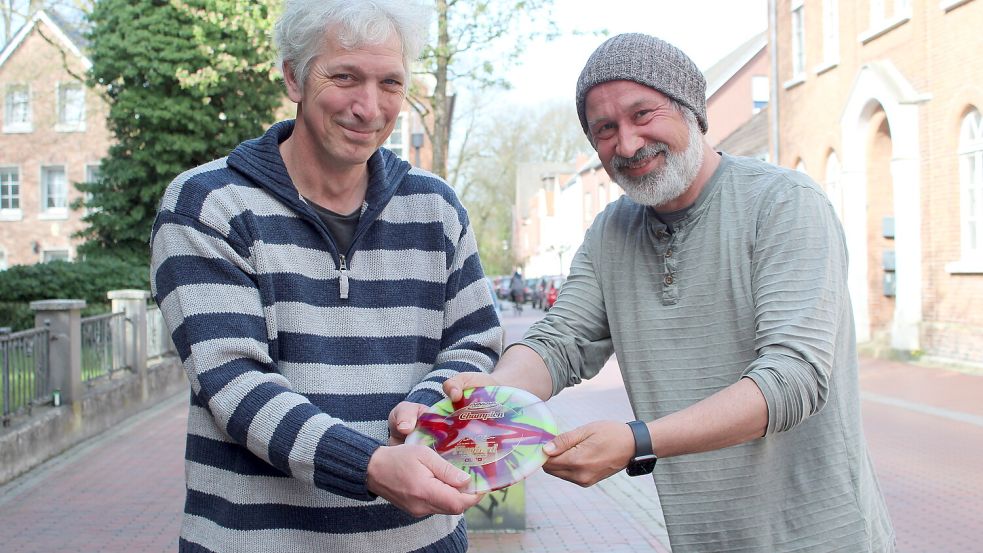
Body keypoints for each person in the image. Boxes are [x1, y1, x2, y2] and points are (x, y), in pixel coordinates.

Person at [434, 33, 896, 552]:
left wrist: (637, 441)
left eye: (643, 114)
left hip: (822, 537)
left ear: (693, 111)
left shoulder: (786, 205)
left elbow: (795, 378)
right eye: (605, 129)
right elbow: (559, 341)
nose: (627, 144)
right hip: (703, 538)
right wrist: (495, 397)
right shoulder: (612, 231)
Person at [149, 1, 503, 552]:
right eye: (345, 77)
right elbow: (233, 379)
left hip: (419, 542)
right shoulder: (208, 206)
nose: (369, 106)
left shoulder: (436, 209)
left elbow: (474, 343)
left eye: (390, 82)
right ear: (293, 75)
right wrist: (366, 465)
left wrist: (425, 411)